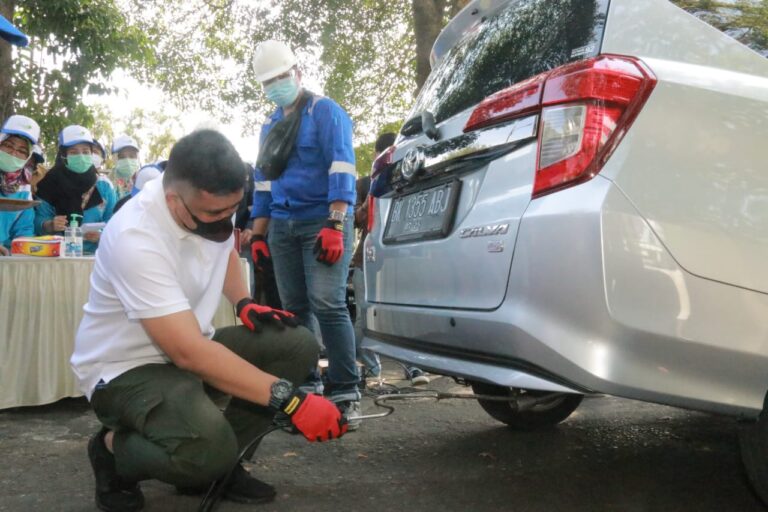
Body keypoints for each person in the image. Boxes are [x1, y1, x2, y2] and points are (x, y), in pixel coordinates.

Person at [70, 129, 347, 512]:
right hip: (123, 368)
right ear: (173, 200)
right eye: (214, 214)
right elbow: (187, 353)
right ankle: (113, 452)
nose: (225, 221)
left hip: (188, 344)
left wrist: (244, 302)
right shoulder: (135, 237)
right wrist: (292, 402)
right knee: (206, 450)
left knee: (295, 344)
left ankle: (218, 465)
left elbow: (224, 250)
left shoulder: (202, 210)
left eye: (232, 210)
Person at [249, 40, 362, 426]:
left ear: (297, 73)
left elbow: (343, 167)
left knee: (327, 303)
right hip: (283, 223)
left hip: (323, 219)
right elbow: (263, 183)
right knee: (295, 309)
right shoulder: (269, 124)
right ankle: (308, 386)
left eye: (282, 76)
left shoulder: (325, 112)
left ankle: (346, 389)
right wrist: (258, 234)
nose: (277, 85)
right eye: (269, 81)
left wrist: (335, 223)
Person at [34, 125, 116, 254]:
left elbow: (114, 222)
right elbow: (38, 220)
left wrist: (101, 235)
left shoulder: (104, 186)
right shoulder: (48, 184)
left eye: (86, 151)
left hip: (96, 258)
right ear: (63, 155)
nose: (81, 156)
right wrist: (49, 225)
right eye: (73, 152)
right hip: (57, 256)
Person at [0, 114, 39, 255]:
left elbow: (24, 229)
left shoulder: (23, 187)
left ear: (27, 157)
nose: (13, 153)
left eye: (22, 151)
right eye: (8, 145)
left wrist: (25, 250)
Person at [111, 134, 140, 200]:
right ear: (115, 158)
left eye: (132, 156)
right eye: (122, 157)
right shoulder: (107, 183)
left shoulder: (143, 180)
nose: (127, 161)